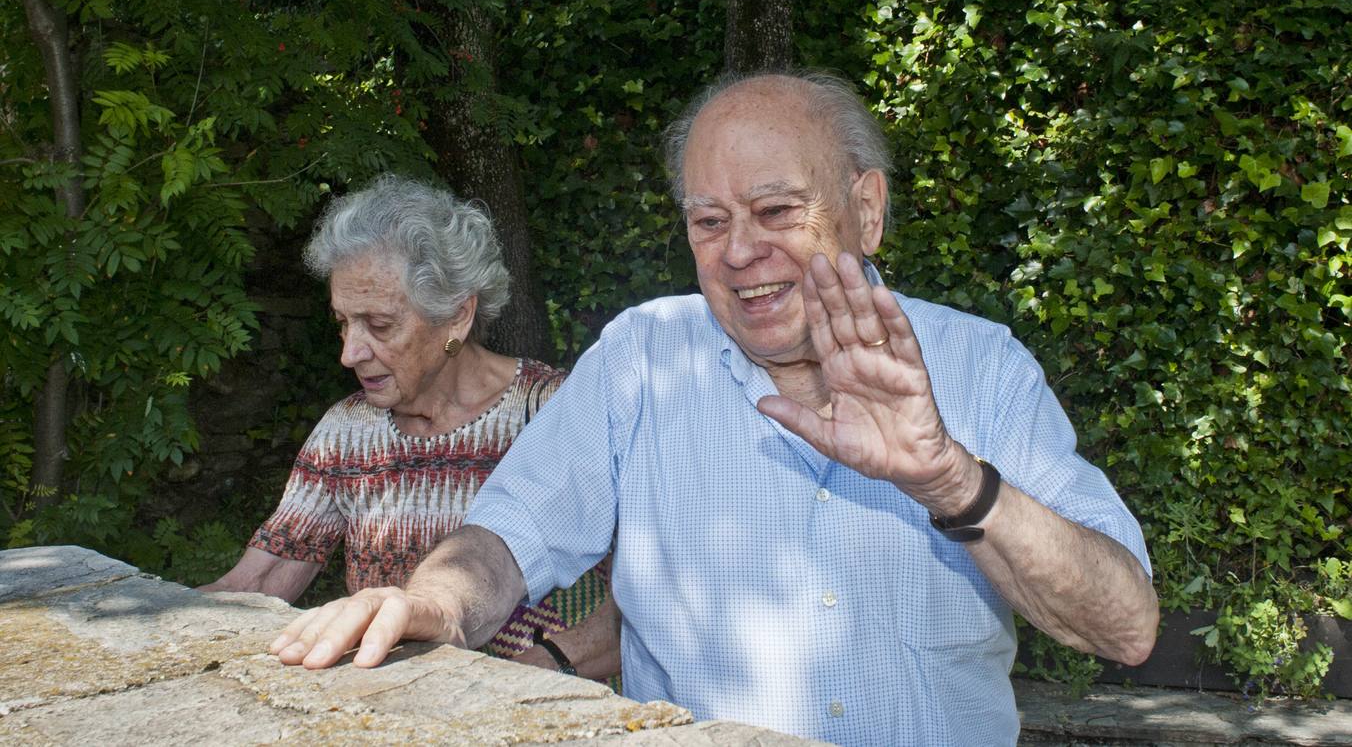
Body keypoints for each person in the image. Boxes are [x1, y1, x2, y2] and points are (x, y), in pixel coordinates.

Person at [268, 73, 1159, 745]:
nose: (740, 251)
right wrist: (435, 605)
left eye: (776, 209)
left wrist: (952, 481)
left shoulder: (982, 368)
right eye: (707, 221)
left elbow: (1124, 626)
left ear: (866, 209)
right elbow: (507, 535)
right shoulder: (642, 357)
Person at [202, 173, 619, 679]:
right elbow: (259, 581)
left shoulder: (556, 413)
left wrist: (530, 672)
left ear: (458, 315)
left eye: (379, 325)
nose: (349, 353)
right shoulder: (347, 432)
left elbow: (642, 597)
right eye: (342, 322)